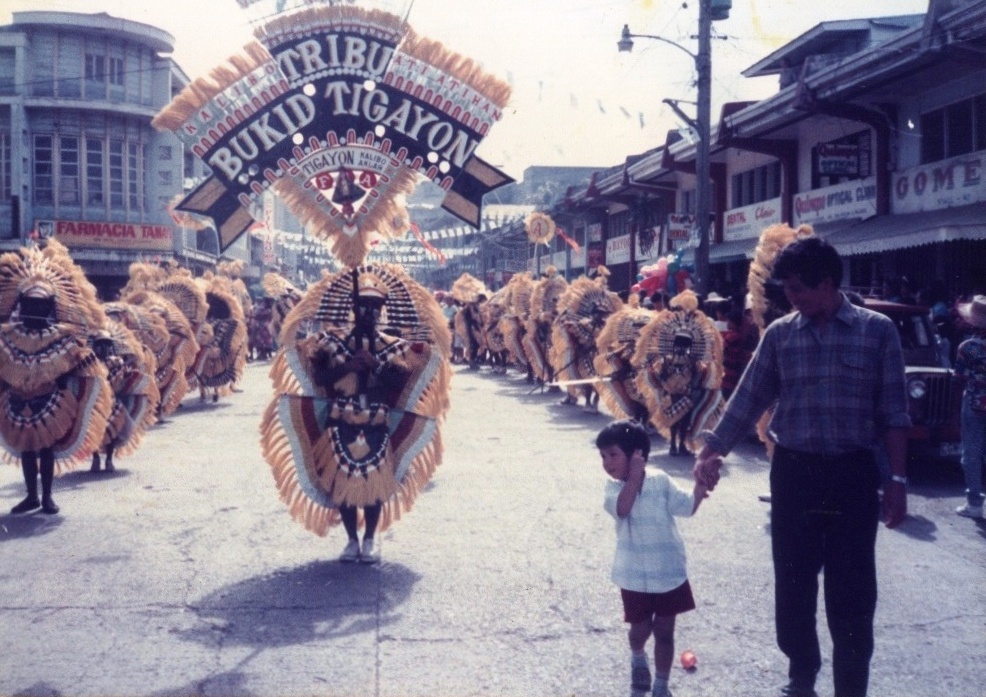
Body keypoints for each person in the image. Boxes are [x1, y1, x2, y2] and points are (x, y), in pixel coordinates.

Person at [693, 237, 910, 697]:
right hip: (795, 474)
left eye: (797, 288)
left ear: (827, 282)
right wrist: (713, 449)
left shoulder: (878, 332)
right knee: (793, 584)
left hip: (852, 477)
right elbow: (749, 397)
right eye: (786, 289)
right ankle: (802, 672)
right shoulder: (781, 335)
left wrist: (897, 480)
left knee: (852, 592)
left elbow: (894, 413)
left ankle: (851, 686)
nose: (790, 298)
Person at [599, 419, 707, 697]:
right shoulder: (612, 489)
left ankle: (661, 684)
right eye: (603, 456)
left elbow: (685, 507)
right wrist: (633, 477)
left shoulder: (661, 481)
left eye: (613, 455)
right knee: (640, 630)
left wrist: (700, 487)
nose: (607, 462)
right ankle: (637, 656)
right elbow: (622, 509)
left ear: (638, 455)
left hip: (668, 572)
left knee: (665, 632)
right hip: (633, 576)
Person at [953, 294, 986, 519]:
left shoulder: (968, 348)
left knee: (972, 453)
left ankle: (974, 504)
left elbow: (960, 378)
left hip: (975, 404)